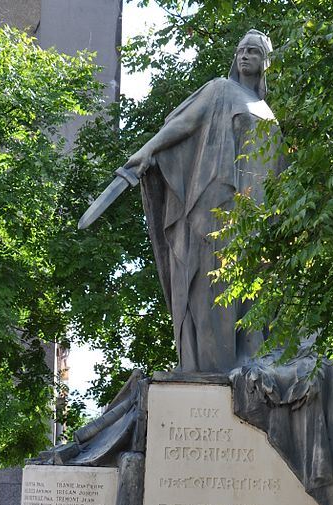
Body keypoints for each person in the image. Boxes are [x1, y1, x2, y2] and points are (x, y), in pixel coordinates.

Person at [124, 30, 284, 373]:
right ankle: (211, 373)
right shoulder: (220, 90)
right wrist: (149, 148)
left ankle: (246, 370)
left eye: (253, 52)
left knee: (252, 300)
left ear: (265, 61)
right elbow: (184, 123)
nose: (244, 56)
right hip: (219, 211)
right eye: (241, 50)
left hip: (257, 224)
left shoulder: (266, 111)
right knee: (214, 289)